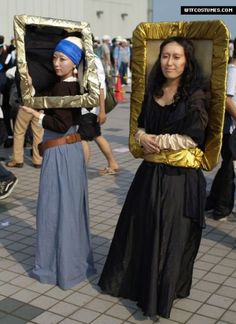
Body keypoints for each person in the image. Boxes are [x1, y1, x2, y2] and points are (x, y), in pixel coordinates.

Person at [98, 36, 209, 319]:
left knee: (169, 235)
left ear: (187, 61)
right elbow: (140, 125)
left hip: (179, 179)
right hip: (149, 175)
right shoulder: (153, 88)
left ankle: (159, 293)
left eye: (176, 57)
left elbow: (195, 138)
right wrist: (142, 136)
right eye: (165, 56)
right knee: (143, 230)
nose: (169, 62)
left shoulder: (195, 94)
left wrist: (158, 140)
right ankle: (138, 284)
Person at [20, 36, 96, 289]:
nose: (56, 63)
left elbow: (61, 123)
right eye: (54, 57)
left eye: (62, 59)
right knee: (68, 208)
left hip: (61, 152)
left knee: (55, 208)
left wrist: (36, 115)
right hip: (69, 151)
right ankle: (72, 264)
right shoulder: (68, 85)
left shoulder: (66, 87)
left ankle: (57, 267)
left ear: (74, 63)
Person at [205, 51, 236, 220]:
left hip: (230, 128)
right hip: (231, 128)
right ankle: (221, 208)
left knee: (228, 166)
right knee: (229, 167)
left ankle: (214, 202)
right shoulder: (233, 71)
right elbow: (227, 99)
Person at [79, 54, 119, 174]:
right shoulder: (89, 58)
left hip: (89, 107)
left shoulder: (92, 60)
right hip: (90, 106)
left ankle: (81, 169)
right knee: (96, 135)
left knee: (82, 137)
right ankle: (112, 163)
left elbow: (100, 86)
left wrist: (102, 110)